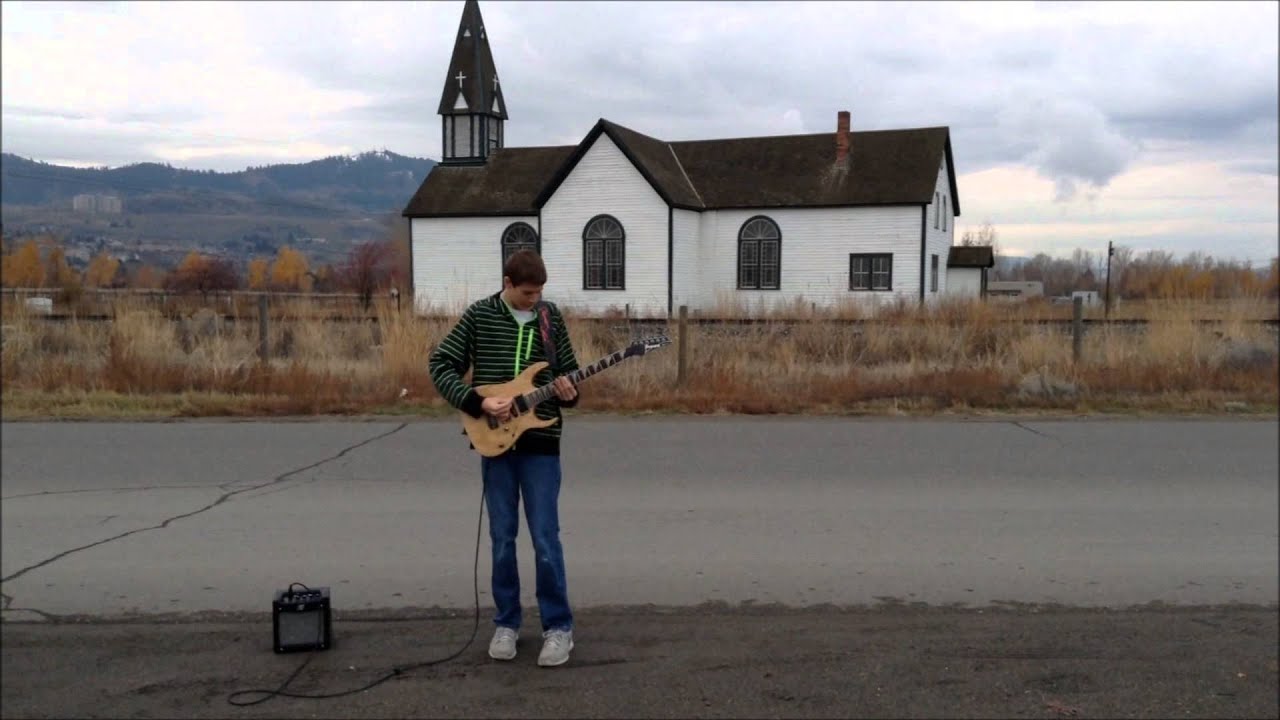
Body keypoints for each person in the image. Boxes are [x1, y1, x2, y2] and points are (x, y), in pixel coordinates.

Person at [428, 249, 581, 667]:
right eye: (528, 292)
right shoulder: (479, 316)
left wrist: (571, 391)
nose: (535, 299)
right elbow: (440, 364)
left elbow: (568, 375)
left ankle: (558, 628)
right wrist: (476, 403)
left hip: (542, 445)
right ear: (508, 283)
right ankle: (507, 624)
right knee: (501, 540)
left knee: (546, 539)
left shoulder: (552, 318)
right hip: (494, 445)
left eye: (540, 292)